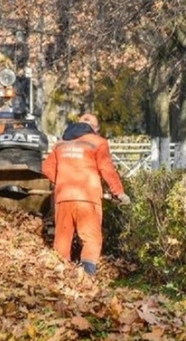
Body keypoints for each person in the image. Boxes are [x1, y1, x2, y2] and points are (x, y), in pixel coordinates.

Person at [42, 113, 131, 276]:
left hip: (63, 198)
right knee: (91, 238)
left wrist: (63, 180)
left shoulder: (60, 144)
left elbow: (47, 168)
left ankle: (60, 275)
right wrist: (119, 192)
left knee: (62, 238)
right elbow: (107, 169)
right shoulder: (98, 142)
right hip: (88, 198)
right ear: (94, 130)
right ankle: (87, 276)